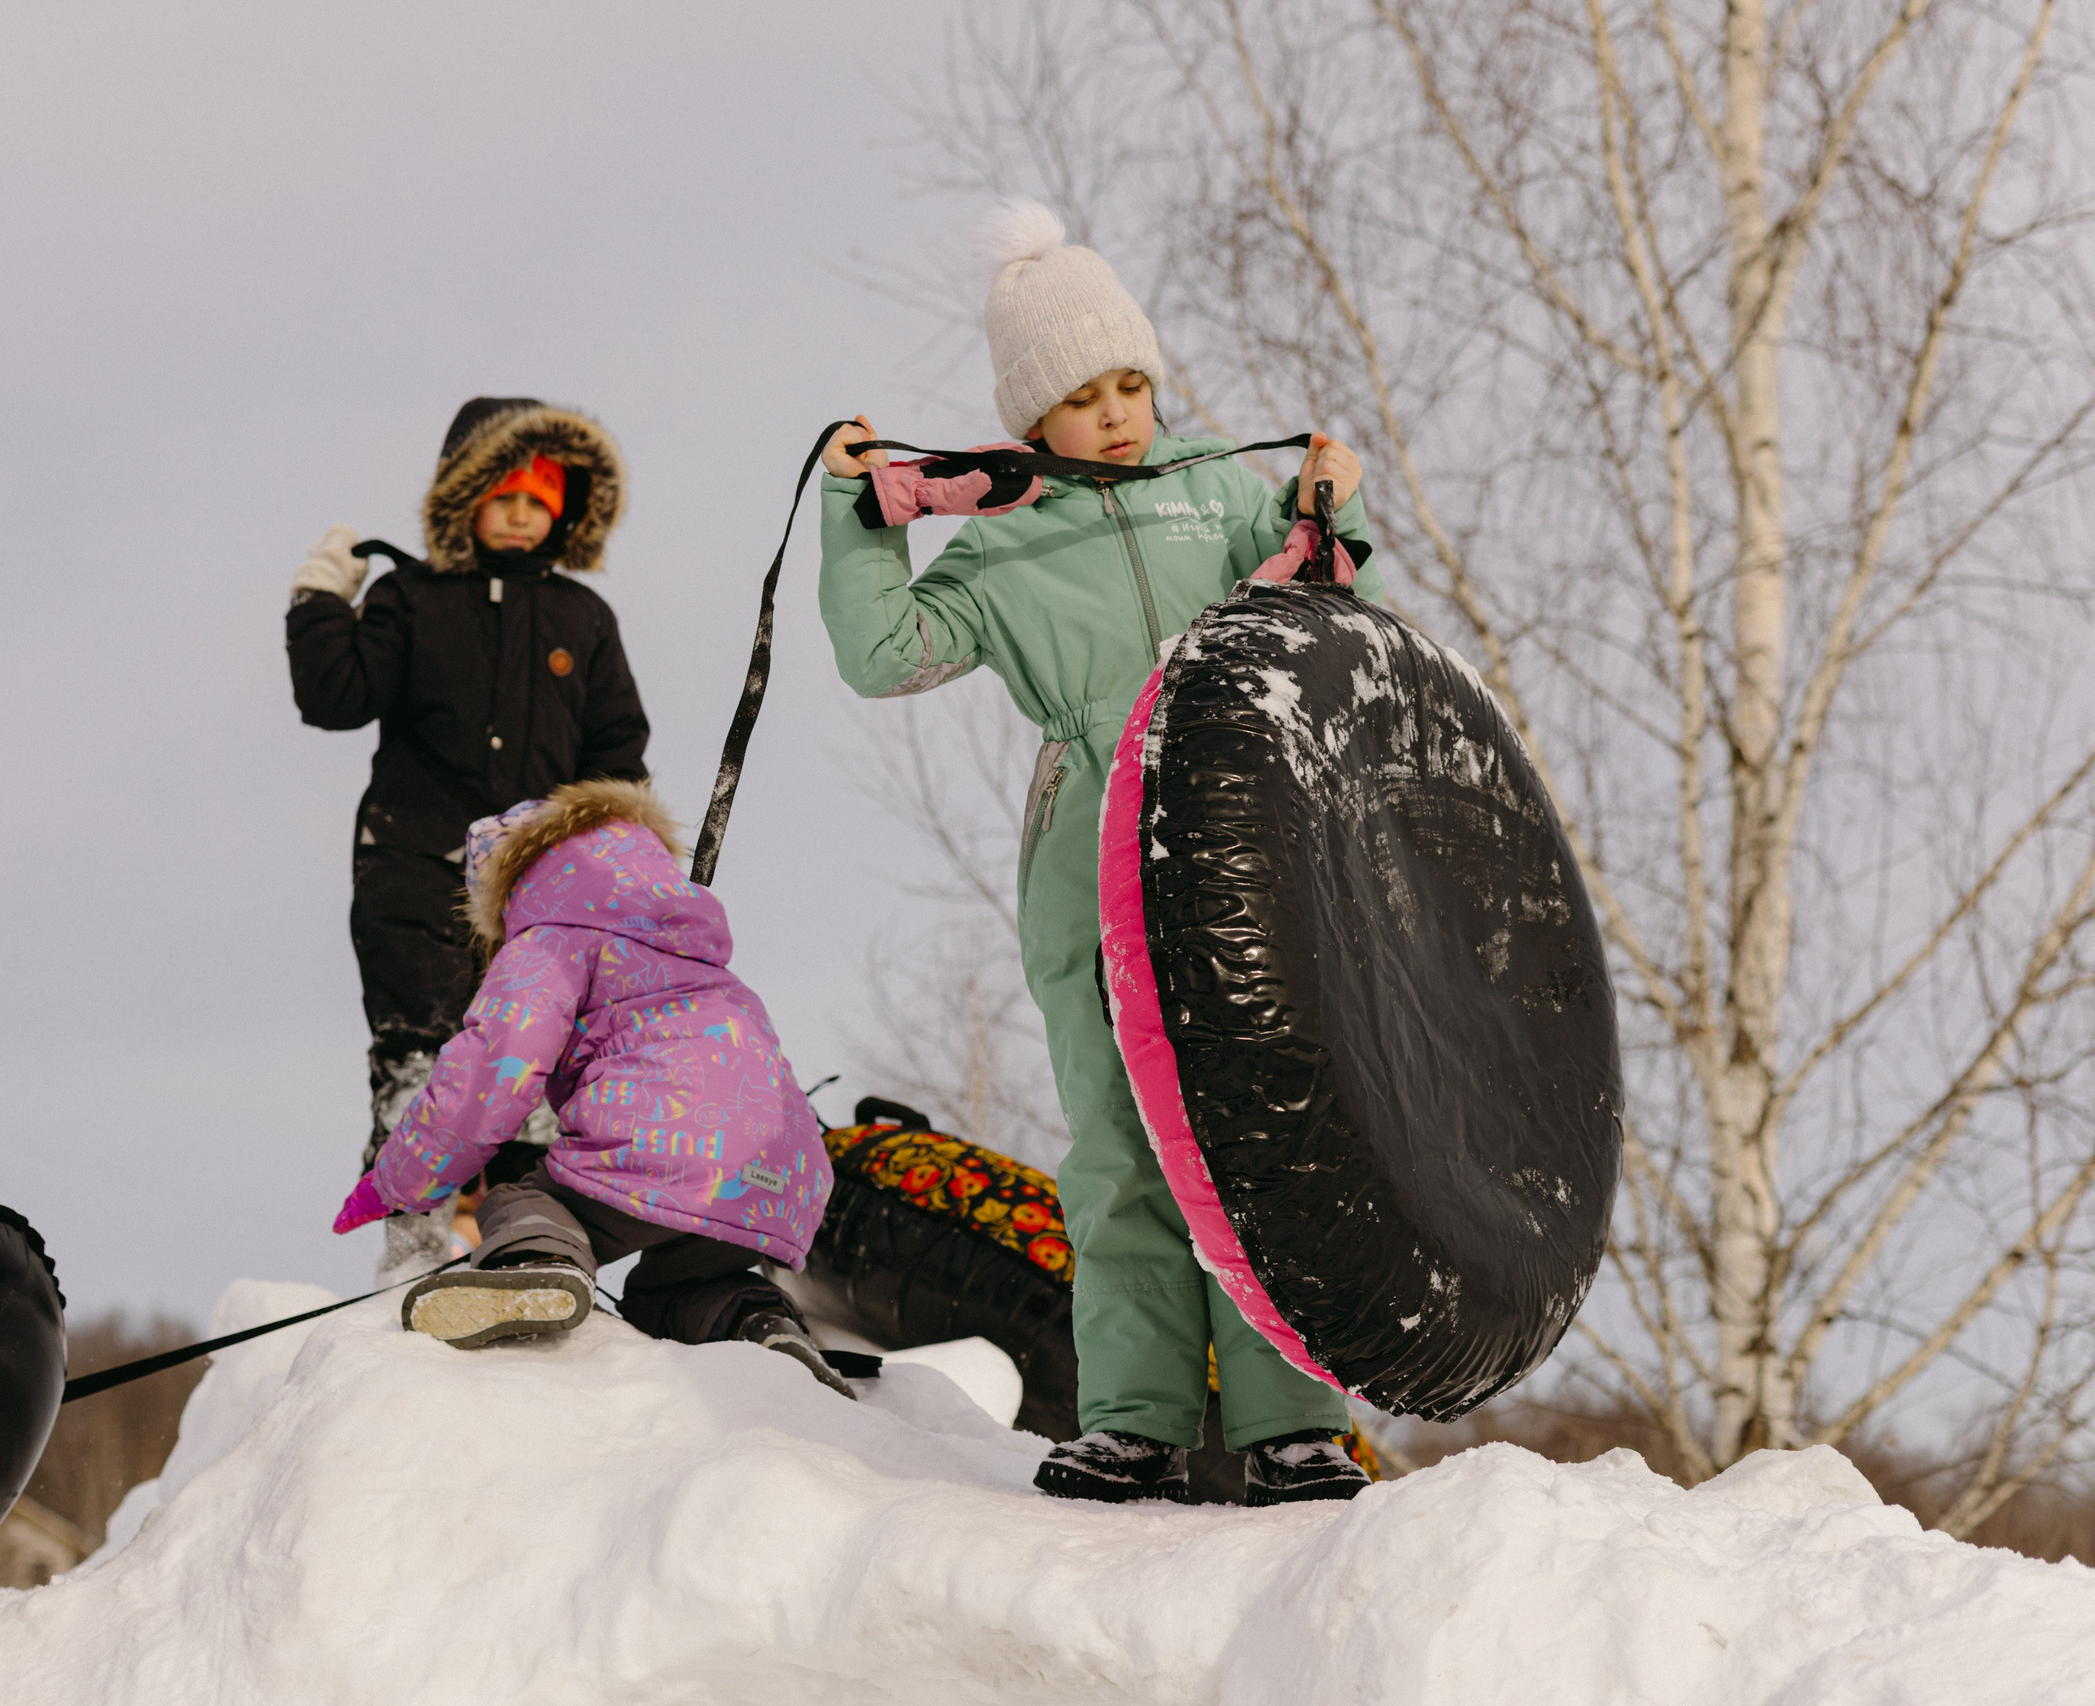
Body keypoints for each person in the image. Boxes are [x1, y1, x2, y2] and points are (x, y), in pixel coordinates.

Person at [814, 200, 1378, 1505]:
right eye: (1080, 395)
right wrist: (863, 520)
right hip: (1091, 861)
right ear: (1030, 421)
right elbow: (884, 650)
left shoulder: (1229, 497)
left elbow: (1338, 629)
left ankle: (1295, 1420)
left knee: (1264, 1134)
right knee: (1122, 1150)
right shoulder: (1007, 538)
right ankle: (1134, 1415)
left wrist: (1337, 517)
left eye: (1130, 380)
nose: (1117, 412)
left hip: (1245, 850)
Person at [331, 778, 850, 1399]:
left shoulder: (550, 937)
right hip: (776, 1175)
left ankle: (540, 1266)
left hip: (659, 1147)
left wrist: (395, 1184)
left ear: (510, 886)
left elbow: (491, 1073)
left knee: (520, 1204)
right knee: (678, 1291)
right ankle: (759, 1324)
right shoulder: (705, 960)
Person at [287, 398, 650, 1277]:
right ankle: (412, 1253)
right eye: (504, 492)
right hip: (413, 869)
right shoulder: (410, 598)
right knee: (423, 1057)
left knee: (534, 1070)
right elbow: (334, 698)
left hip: (537, 894)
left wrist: (617, 860)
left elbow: (618, 752)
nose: (525, 511)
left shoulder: (581, 620)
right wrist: (318, 602)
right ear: (464, 497)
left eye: (543, 495)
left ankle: (530, 1243)